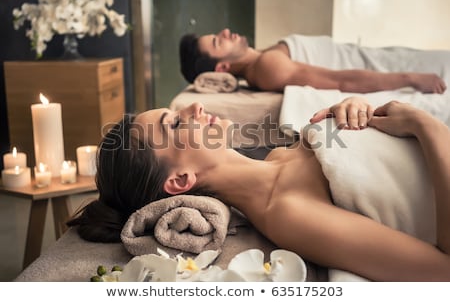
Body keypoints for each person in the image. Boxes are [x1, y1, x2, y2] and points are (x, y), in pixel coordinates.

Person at [68, 97, 450, 281]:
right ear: (180, 181)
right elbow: (441, 273)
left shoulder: (279, 158)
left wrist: (358, 112)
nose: (195, 108)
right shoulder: (285, 212)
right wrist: (424, 125)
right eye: (176, 125)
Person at [179, 28, 447, 94]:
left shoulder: (265, 56)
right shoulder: (266, 68)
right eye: (218, 42)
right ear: (223, 67)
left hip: (390, 59)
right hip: (399, 71)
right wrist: (411, 78)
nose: (225, 32)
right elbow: (340, 81)